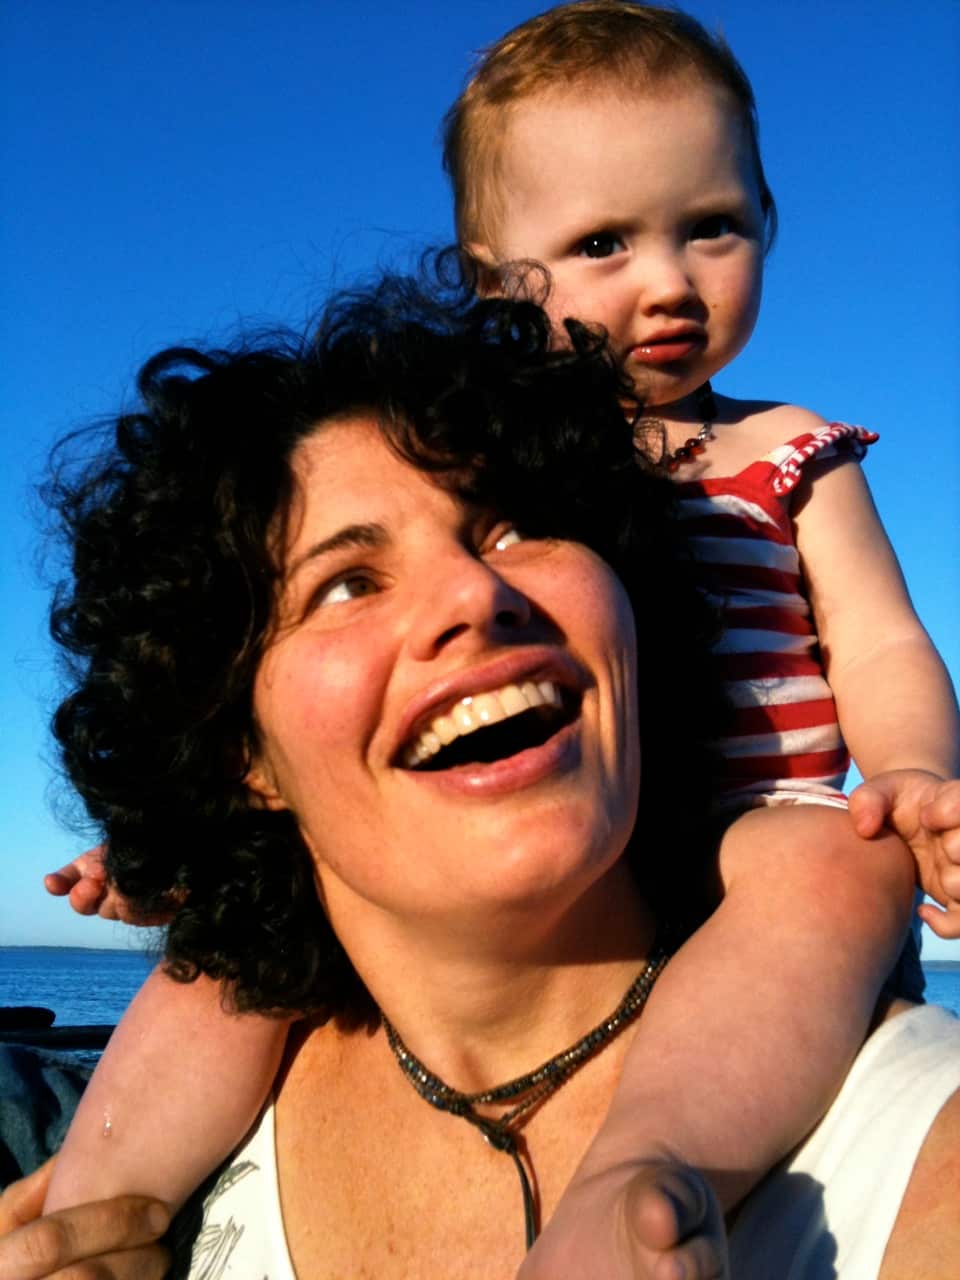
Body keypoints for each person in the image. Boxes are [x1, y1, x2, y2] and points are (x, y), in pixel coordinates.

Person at [36, 5, 960, 1276]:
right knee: (224, 960)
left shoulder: (783, 451)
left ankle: (643, 1176)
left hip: (762, 818)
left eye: (713, 227)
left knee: (834, 860)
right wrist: (169, 843)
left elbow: (882, 641)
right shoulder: (508, 437)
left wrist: (911, 775)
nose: (666, 283)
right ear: (495, 278)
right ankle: (92, 1208)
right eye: (600, 243)